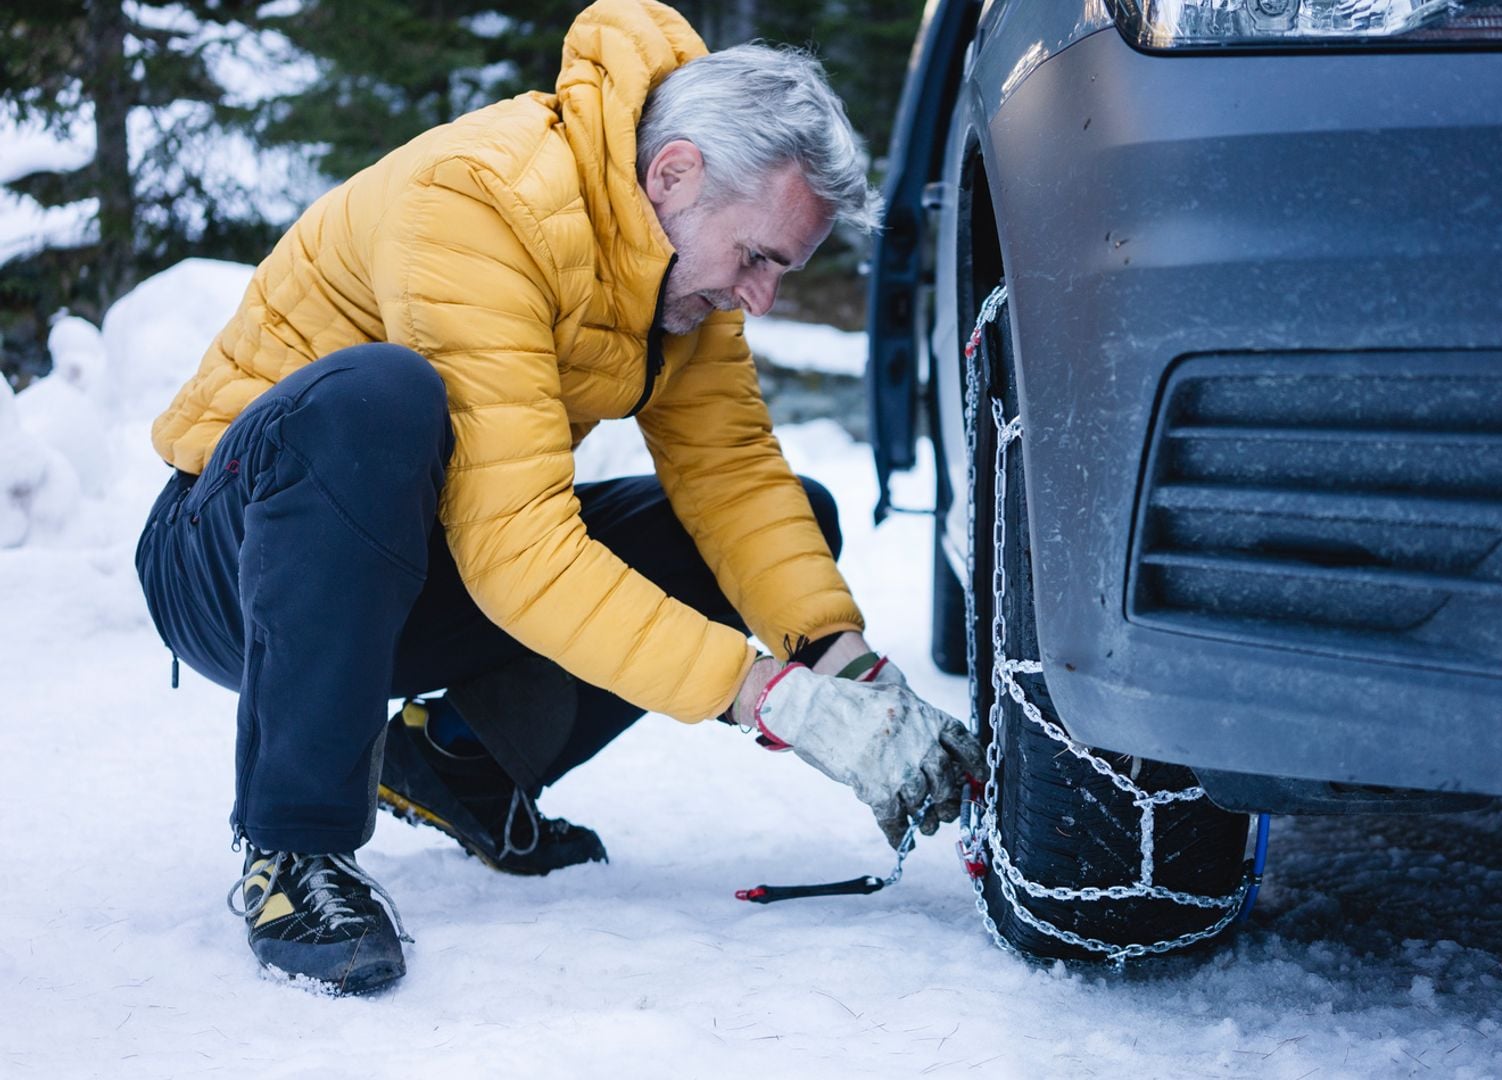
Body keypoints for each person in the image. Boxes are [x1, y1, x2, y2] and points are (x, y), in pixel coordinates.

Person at [134, 0, 984, 995]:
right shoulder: (483, 201)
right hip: (238, 562)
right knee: (381, 400)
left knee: (785, 515)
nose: (761, 297)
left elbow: (734, 481)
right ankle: (293, 852)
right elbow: (519, 552)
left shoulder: (674, 260)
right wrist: (771, 700)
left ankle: (459, 759)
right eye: (756, 258)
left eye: (779, 270)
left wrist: (848, 670)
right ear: (674, 175)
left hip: (407, 572)